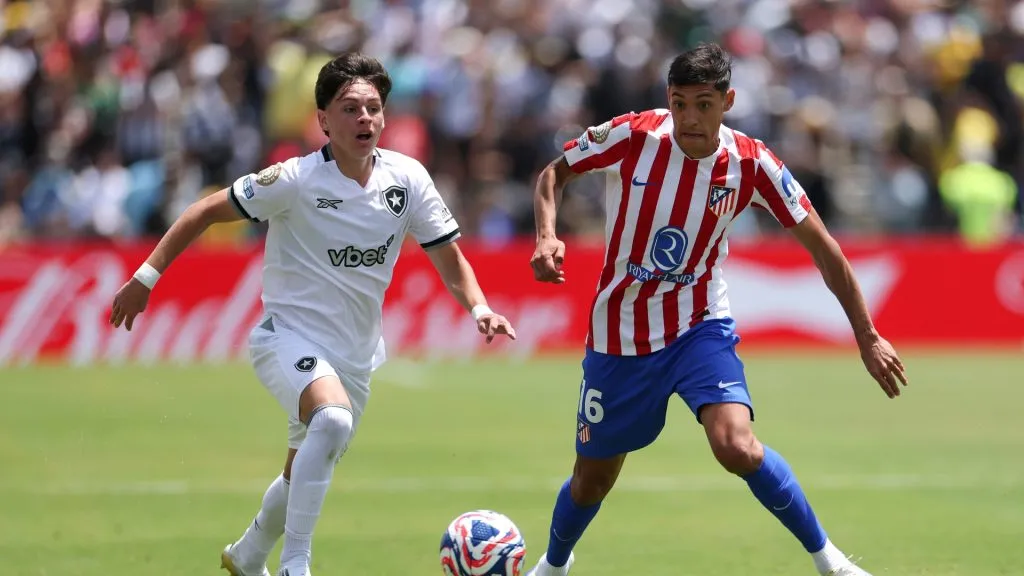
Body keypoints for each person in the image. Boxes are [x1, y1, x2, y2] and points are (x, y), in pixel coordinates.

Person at [109, 53, 516, 576]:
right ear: (322, 119)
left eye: (373, 108)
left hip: (356, 356)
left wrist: (479, 307)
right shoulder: (294, 179)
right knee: (331, 418)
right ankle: (295, 565)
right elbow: (205, 209)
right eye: (350, 109)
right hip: (287, 337)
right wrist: (146, 278)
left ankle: (248, 554)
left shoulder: (407, 179)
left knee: (306, 464)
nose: (364, 118)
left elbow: (448, 255)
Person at [526, 42, 908, 576]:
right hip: (620, 333)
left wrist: (867, 335)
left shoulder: (753, 165)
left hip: (697, 323)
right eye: (680, 103)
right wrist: (547, 236)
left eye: (704, 103)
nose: (689, 118)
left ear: (727, 101)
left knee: (736, 445)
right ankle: (554, 566)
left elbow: (825, 249)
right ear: (668, 99)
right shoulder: (635, 136)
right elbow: (553, 174)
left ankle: (832, 564)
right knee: (593, 478)